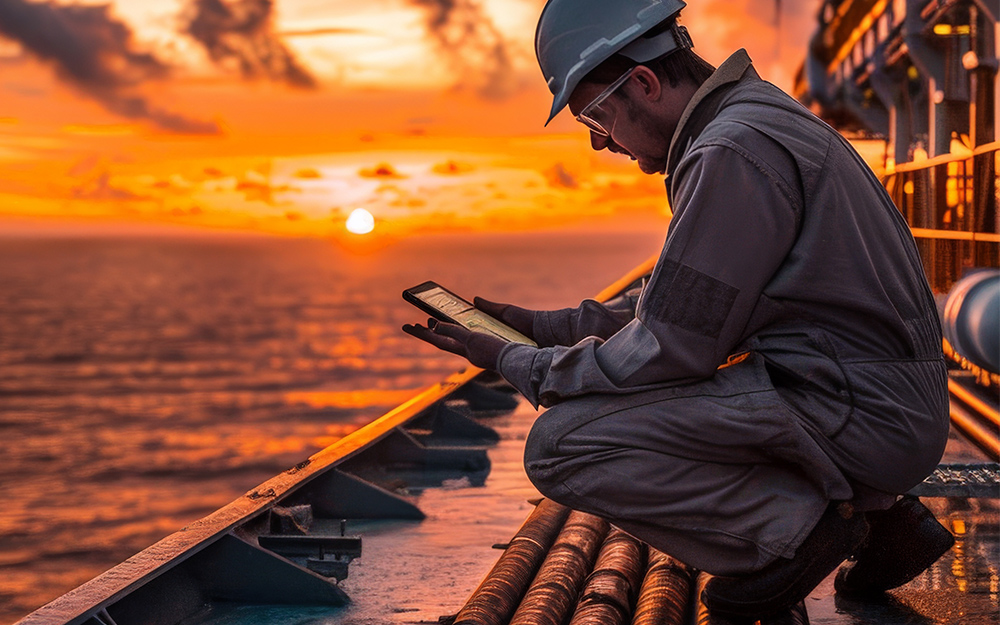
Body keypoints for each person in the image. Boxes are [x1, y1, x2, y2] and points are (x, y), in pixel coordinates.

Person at [403, 0, 955, 620]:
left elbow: (671, 347)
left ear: (643, 82)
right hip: (874, 403)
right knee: (636, 395)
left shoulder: (732, 151)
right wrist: (541, 328)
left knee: (562, 443)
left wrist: (522, 364)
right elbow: (688, 303)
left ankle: (799, 535)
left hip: (858, 413)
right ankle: (885, 521)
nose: (598, 141)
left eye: (596, 116)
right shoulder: (754, 120)